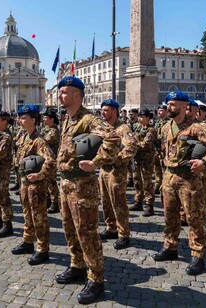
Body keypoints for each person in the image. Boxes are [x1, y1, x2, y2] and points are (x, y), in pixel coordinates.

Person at [55, 76, 119, 305]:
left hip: (82, 186)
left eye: (65, 91)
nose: (60, 95)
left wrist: (97, 162)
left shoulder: (88, 119)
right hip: (66, 184)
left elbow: (112, 137)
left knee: (87, 232)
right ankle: (77, 266)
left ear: (77, 95)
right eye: (60, 91)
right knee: (70, 229)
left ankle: (96, 280)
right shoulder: (69, 120)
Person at [153, 91, 206, 276]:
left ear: (185, 107)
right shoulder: (166, 127)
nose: (169, 107)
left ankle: (198, 255)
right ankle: (170, 246)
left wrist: (205, 162)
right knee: (170, 216)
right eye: (168, 103)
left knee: (195, 218)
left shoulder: (196, 127)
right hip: (169, 178)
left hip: (189, 180)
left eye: (173, 104)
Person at [11, 105, 56, 265]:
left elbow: (51, 160)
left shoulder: (38, 141)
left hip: (36, 185)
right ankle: (28, 241)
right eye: (20, 117)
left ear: (33, 120)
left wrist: (40, 175)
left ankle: (43, 249)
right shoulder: (24, 137)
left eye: (23, 118)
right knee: (27, 215)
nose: (20, 120)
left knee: (39, 218)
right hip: (24, 183)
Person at [98, 99, 137, 250]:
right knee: (105, 201)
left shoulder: (123, 128)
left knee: (118, 203)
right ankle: (111, 228)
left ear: (114, 111)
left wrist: (117, 159)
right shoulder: (103, 128)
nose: (103, 113)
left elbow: (132, 147)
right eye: (102, 110)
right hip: (103, 170)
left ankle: (124, 234)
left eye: (106, 110)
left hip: (117, 171)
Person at [129, 108, 156, 216]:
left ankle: (149, 205)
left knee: (147, 183)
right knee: (137, 181)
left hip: (147, 160)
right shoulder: (137, 128)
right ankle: (138, 201)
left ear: (148, 118)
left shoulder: (151, 130)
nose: (140, 119)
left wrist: (134, 145)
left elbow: (146, 144)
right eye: (139, 116)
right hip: (137, 159)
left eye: (142, 117)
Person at [40, 109, 61, 213]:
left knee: (51, 182)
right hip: (44, 159)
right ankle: (48, 200)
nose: (43, 119)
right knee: (46, 181)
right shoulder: (45, 129)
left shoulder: (54, 131)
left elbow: (43, 142)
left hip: (51, 160)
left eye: (46, 118)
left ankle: (55, 202)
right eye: (43, 117)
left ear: (52, 119)